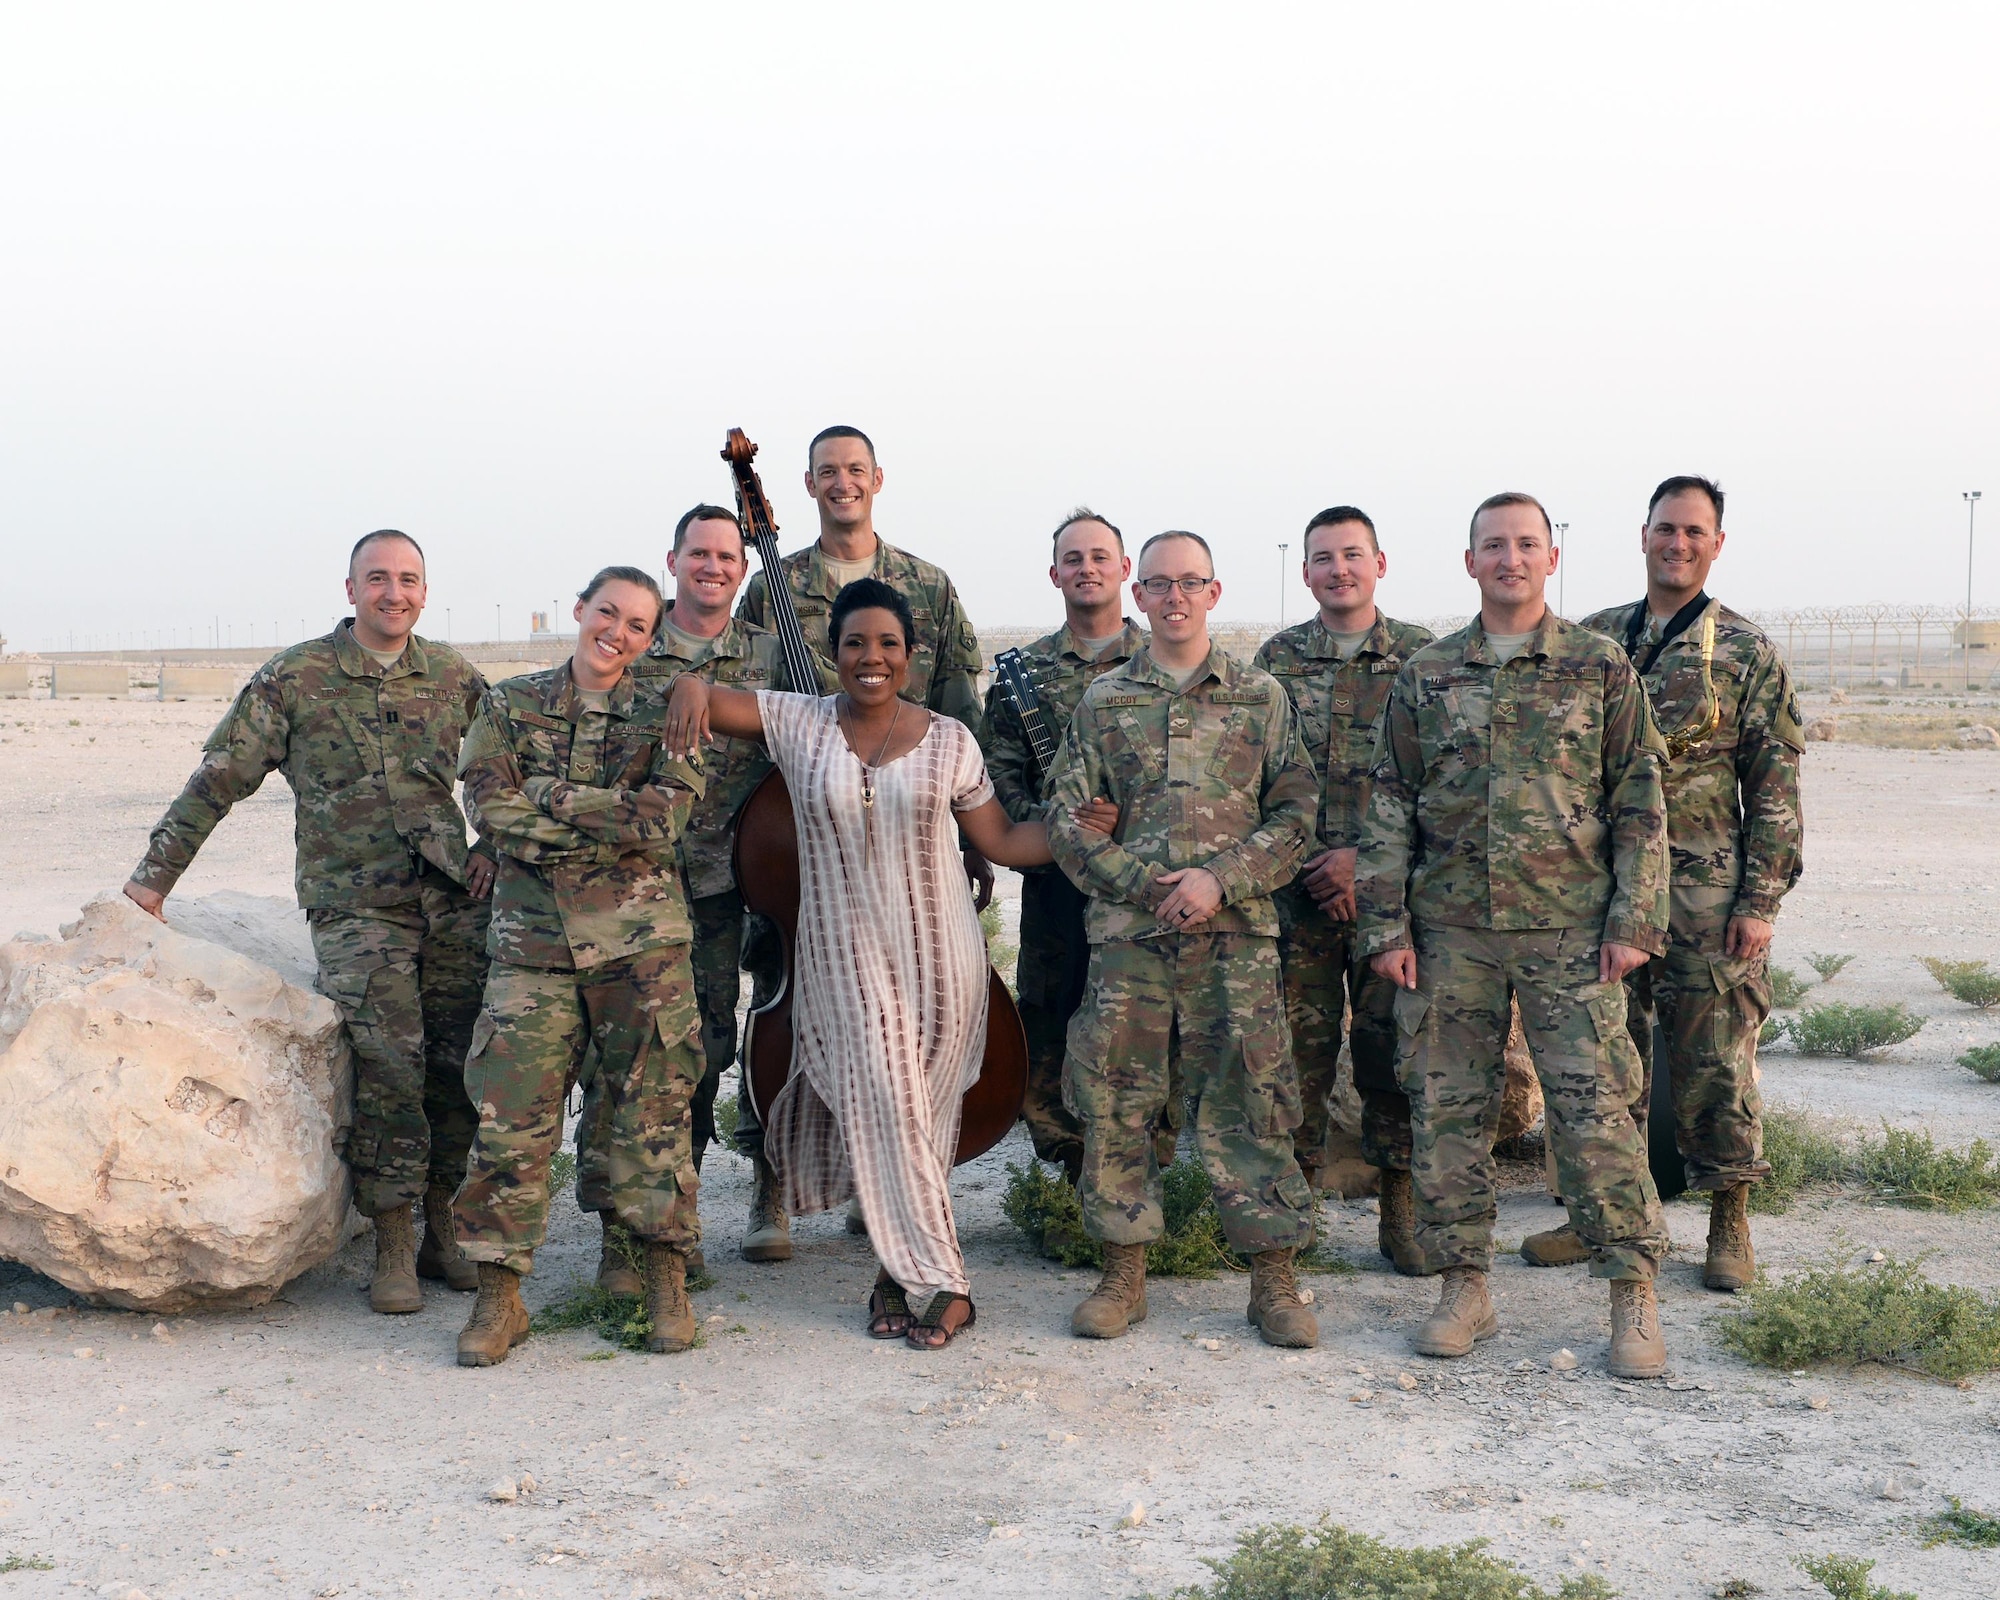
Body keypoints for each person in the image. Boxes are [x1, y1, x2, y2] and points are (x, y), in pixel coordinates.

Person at [664, 578, 1074, 1349]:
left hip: (943, 961)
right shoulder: (799, 721)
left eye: (888, 644)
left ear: (912, 657)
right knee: (886, 1096)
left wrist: (1080, 830)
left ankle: (893, 1274)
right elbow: (713, 698)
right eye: (855, 643)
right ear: (834, 653)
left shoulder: (952, 739)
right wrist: (690, 681)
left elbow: (1003, 843)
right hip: (841, 957)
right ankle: (948, 1283)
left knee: (923, 1113)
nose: (871, 657)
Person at [124, 531, 492, 1315]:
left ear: (425, 592)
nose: (395, 592)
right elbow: (220, 777)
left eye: (409, 580)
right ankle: (392, 1242)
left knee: (460, 1063)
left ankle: (444, 1233)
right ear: (351, 587)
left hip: (450, 902)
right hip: (357, 905)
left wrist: (495, 853)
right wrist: (155, 879)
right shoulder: (296, 677)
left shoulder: (454, 676)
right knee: (391, 1063)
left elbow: (508, 772)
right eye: (379, 579)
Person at [1357, 493, 1673, 1379]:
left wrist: (1634, 921)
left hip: (1571, 930)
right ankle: (1465, 1284)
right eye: (1493, 546)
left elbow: (1640, 802)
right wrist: (1385, 924)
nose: (1510, 559)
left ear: (1551, 558)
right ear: (1470, 563)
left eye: (1526, 544)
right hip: (1450, 931)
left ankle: (1632, 1289)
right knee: (1448, 1112)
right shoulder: (1425, 675)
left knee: (1596, 1111)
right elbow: (1390, 805)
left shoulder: (1599, 666)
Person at [1522, 476, 1804, 1291]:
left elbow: (1775, 787)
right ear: (1641, 535)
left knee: (1714, 1056)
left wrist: (1759, 902)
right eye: (1664, 529)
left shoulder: (1744, 651)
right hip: (1601, 895)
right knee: (1605, 1063)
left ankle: (1729, 1221)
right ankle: (1605, 1218)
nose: (1677, 544)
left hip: (1704, 895)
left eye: (1694, 531)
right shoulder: (1593, 640)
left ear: (1716, 544)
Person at [1045, 531, 1323, 1350]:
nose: (1174, 598)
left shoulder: (1260, 698)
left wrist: (1219, 880)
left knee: (1251, 1103)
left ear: (1214, 592)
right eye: (1159, 585)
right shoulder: (1102, 703)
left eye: (1189, 583)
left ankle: (1273, 1282)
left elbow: (1297, 814)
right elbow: (1066, 820)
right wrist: (1144, 886)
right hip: (1130, 940)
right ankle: (1122, 1275)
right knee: (1118, 1102)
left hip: (1235, 937)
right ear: (1139, 596)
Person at [451, 567, 708, 1367]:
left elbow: (665, 821)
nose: (618, 634)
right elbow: (489, 808)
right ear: (580, 611)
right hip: (532, 947)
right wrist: (606, 823)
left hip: (641, 949)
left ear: (650, 634)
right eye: (608, 614)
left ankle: (661, 1277)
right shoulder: (509, 703)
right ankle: (500, 1298)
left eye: (638, 624)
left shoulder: (670, 706)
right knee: (510, 1119)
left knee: (653, 1116)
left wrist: (552, 798)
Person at [575, 505, 790, 1291]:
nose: (714, 567)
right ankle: (632, 1234)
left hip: (740, 885)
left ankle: (677, 1220)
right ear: (674, 562)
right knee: (635, 1061)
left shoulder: (769, 655)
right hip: (638, 887)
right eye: (699, 554)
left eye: (728, 556)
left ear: (743, 567)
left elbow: (822, 742)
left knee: (707, 1056)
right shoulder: (632, 644)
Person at [1253, 506, 1434, 1271]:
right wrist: (1314, 864)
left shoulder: (1424, 658)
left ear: (1380, 564)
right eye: (1323, 559)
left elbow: (1441, 781)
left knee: (1392, 1050)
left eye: (1352, 556)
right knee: (1295, 1057)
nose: (1339, 570)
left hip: (1393, 898)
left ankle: (1400, 1212)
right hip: (1298, 897)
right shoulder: (1277, 659)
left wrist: (1361, 863)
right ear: (1305, 574)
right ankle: (1292, 1224)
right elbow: (1260, 777)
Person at [736, 425, 995, 934]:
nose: (842, 483)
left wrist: (974, 842)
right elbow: (747, 705)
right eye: (828, 471)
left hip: (910, 838)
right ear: (810, 484)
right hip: (801, 831)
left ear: (876, 479)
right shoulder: (771, 588)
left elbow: (961, 713)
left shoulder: (928, 585)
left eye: (855, 470)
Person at [977, 508, 1150, 1183]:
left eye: (1099, 557)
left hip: (1140, 884)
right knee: (1049, 1015)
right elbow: (1000, 777)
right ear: (1055, 574)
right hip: (1054, 882)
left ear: (1124, 569)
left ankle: (1138, 1169)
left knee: (1141, 1019)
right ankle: (1069, 1167)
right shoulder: (1025, 674)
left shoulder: (1160, 661)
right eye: (1073, 559)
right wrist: (1060, 829)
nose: (1087, 569)